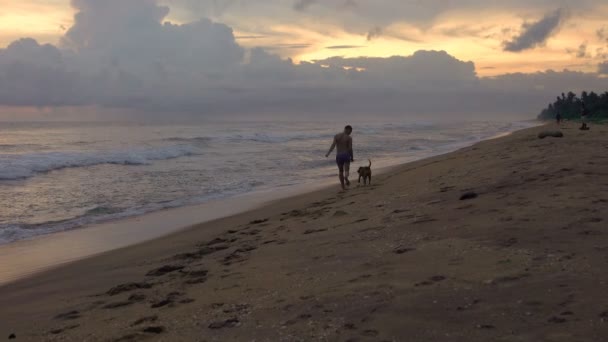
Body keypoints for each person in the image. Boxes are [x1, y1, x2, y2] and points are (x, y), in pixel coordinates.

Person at [326, 125, 354, 190]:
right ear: (347, 130)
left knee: (340, 171)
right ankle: (346, 178)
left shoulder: (336, 136)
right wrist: (352, 157)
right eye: (350, 131)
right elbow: (350, 148)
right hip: (346, 155)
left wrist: (328, 153)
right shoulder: (349, 138)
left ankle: (343, 187)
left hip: (338, 156)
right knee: (346, 169)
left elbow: (333, 145)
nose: (350, 133)